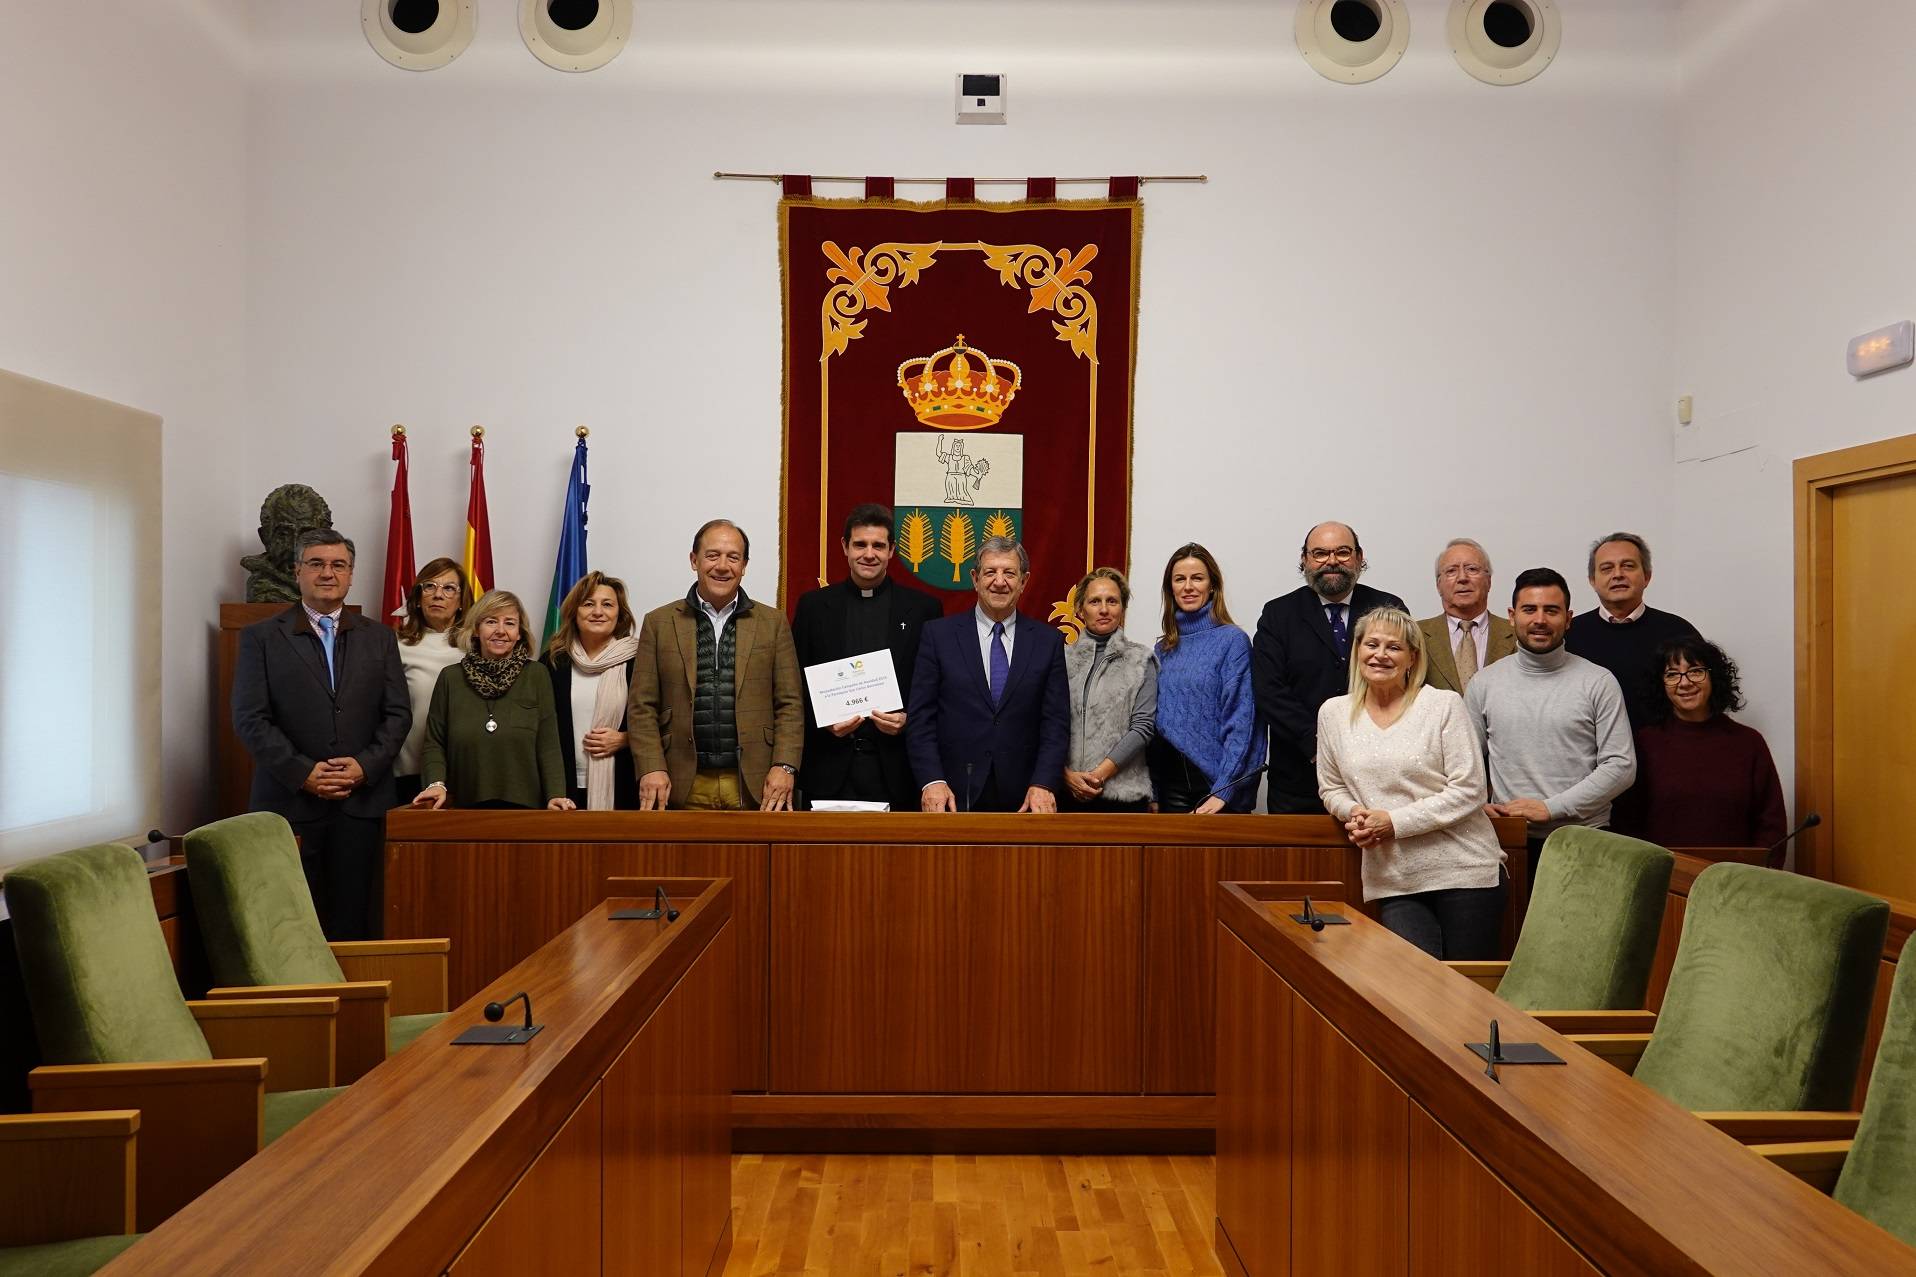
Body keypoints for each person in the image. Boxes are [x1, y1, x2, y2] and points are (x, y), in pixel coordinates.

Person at [231, 528, 409, 939]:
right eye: (316, 564)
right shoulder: (259, 638)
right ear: (298, 572)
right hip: (289, 805)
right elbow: (250, 718)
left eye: (338, 565)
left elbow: (398, 714)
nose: (327, 573)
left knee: (357, 925)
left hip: (360, 806)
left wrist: (364, 767)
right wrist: (303, 772)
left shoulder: (380, 638)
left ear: (350, 575)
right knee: (289, 927)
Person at [1316, 607, 1507, 959]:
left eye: (1394, 647)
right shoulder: (1333, 713)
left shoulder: (1442, 705)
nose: (1380, 655)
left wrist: (1393, 822)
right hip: (1394, 877)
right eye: (1371, 644)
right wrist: (1356, 814)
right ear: (1358, 649)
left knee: (1468, 995)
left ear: (1412, 658)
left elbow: (1469, 789)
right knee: (1412, 994)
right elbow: (1330, 787)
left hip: (1464, 871)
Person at [1465, 568, 1636, 881]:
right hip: (1505, 842)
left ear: (1568, 618)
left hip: (1584, 840)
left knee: (1579, 930)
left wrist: (1550, 808)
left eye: (1551, 610)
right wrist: (1477, 806)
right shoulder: (1483, 684)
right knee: (1509, 931)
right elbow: (1466, 765)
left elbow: (1621, 766)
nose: (1540, 620)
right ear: (1512, 616)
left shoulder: (1598, 682)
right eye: (1529, 609)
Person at [627, 519, 804, 811]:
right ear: (694, 560)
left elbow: (790, 704)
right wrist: (650, 767)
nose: (722, 566)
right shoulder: (659, 623)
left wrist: (784, 766)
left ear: (744, 565)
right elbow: (641, 706)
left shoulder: (773, 624)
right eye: (712, 555)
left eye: (733, 557)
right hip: (680, 781)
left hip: (757, 785)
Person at [790, 504, 942, 810]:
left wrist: (908, 720)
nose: (868, 554)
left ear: (892, 550)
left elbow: (936, 686)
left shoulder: (924, 609)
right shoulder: (813, 607)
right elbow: (794, 686)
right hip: (829, 769)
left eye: (878, 545)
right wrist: (824, 721)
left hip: (897, 770)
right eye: (860, 544)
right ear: (845, 547)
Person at [1252, 521, 1407, 813]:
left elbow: (1403, 680)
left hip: (1377, 774)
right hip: (1299, 780)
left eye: (1343, 552)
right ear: (1305, 560)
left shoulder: (1388, 607)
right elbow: (1269, 690)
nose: (1332, 561)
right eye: (1320, 553)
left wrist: (1363, 745)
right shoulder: (1278, 614)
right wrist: (1317, 746)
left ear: (1360, 558)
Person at [907, 536, 1070, 813]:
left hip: (1026, 798)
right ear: (974, 578)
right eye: (990, 572)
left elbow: (1055, 723)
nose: (999, 581)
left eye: (1009, 573)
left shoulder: (1048, 642)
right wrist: (932, 780)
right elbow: (921, 718)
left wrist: (1043, 784)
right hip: (951, 794)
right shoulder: (939, 636)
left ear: (1024, 581)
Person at [1611, 636, 1787, 857]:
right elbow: (1627, 824)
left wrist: (1756, 876)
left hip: (1737, 880)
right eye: (1672, 674)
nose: (1685, 682)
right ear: (1661, 684)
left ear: (1714, 677)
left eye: (1695, 671)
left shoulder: (1749, 743)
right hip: (1663, 880)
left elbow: (1772, 825)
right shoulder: (1643, 744)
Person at [413, 590, 574, 811]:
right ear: (477, 630)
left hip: (527, 807)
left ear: (519, 633)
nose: (500, 631)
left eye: (510, 623)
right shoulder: (450, 677)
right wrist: (435, 783)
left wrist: (556, 794)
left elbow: (548, 743)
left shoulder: (537, 674)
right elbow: (434, 742)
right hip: (462, 806)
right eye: (491, 622)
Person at [1150, 543, 1261, 813]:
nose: (1188, 586)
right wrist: (1152, 791)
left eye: (1197, 578)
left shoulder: (1232, 641)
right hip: (1170, 783)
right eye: (1180, 579)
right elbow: (1154, 726)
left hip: (1214, 784)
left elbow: (1242, 722)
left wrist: (1224, 790)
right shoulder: (1163, 649)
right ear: (1171, 589)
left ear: (1212, 586)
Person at [1565, 531, 1699, 725]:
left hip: (1664, 749)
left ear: (1647, 576)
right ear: (1592, 580)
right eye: (1607, 568)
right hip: (1587, 751)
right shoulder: (1570, 634)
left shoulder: (1678, 631)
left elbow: (1701, 701)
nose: (1618, 574)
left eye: (1628, 566)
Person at [1061, 567, 1157, 812]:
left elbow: (1143, 727)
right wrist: (1066, 776)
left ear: (1122, 608)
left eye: (1112, 601)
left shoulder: (1141, 659)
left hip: (1123, 798)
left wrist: (1097, 776)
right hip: (1065, 794)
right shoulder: (1061, 660)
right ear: (1080, 609)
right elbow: (1046, 724)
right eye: (1095, 601)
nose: (1104, 609)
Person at [542, 570, 640, 810]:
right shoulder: (552, 662)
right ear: (575, 612)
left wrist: (626, 739)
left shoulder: (639, 661)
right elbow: (540, 728)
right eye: (588, 604)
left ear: (620, 614)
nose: (598, 612)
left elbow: (661, 721)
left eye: (607, 604)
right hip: (563, 788)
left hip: (623, 785)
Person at [392, 556, 469, 804]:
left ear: (461, 601)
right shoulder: (396, 645)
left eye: (449, 588)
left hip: (463, 770)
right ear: (417, 597)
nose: (438, 595)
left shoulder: (476, 646)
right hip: (408, 769)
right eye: (430, 586)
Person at [1419, 538, 1516, 696]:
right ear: (1438, 585)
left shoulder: (1517, 633)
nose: (1462, 578)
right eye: (1451, 571)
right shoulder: (1415, 635)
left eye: (1472, 569)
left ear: (1489, 581)